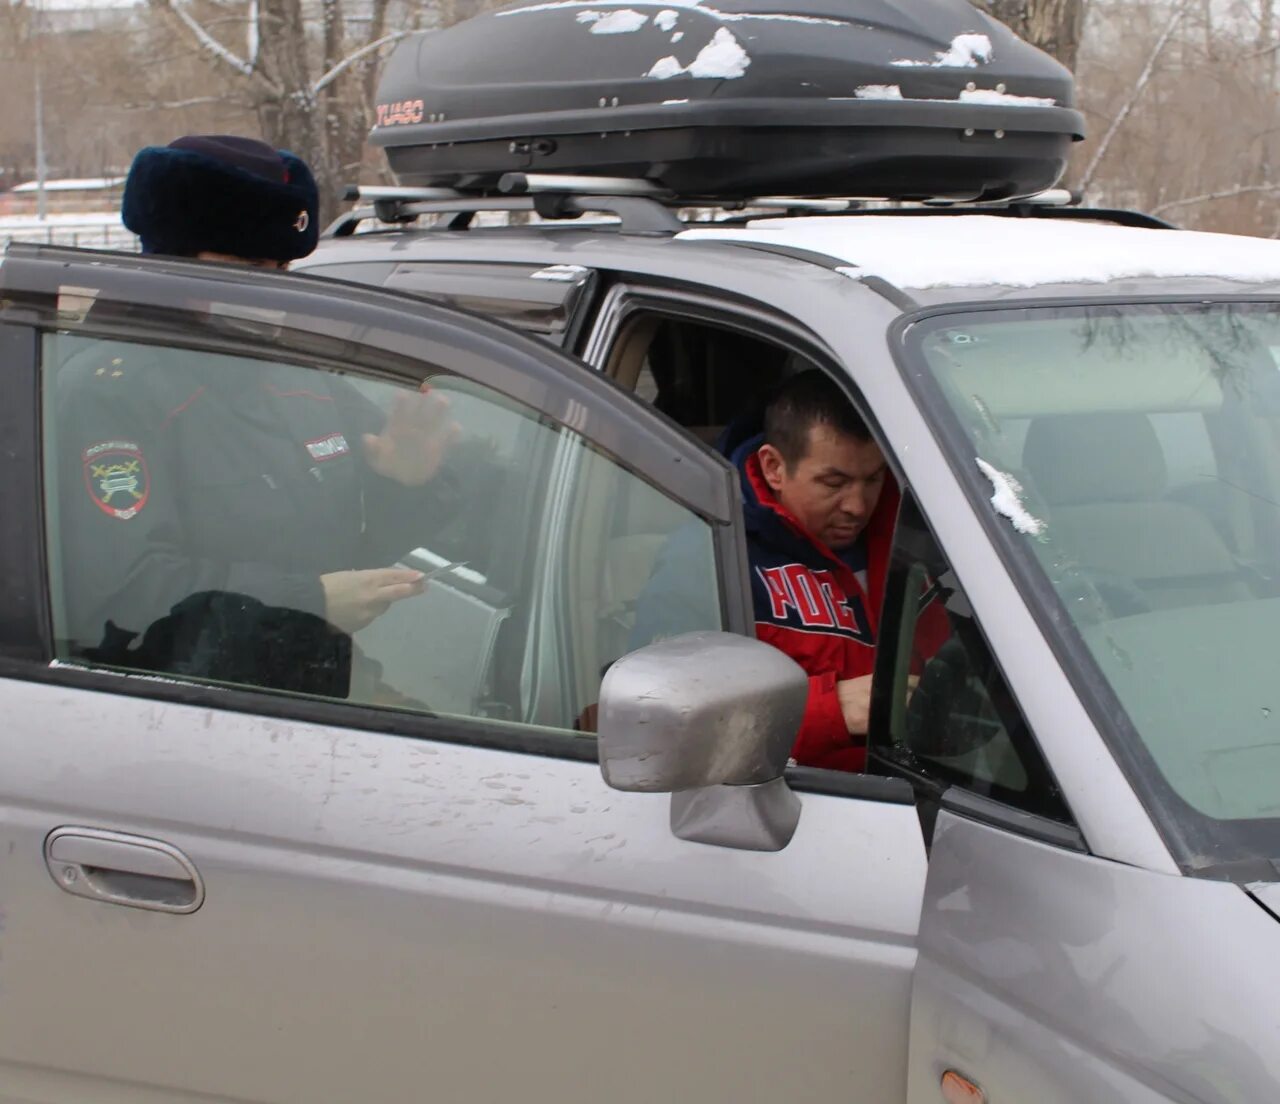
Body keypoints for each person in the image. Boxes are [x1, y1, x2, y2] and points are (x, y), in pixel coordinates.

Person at [54, 135, 459, 698]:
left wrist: (405, 483)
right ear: (173, 261)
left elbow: (350, 551)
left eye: (282, 266)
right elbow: (121, 596)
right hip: (173, 708)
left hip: (306, 686)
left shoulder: (296, 379)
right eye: (247, 266)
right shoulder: (107, 393)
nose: (270, 287)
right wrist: (307, 602)